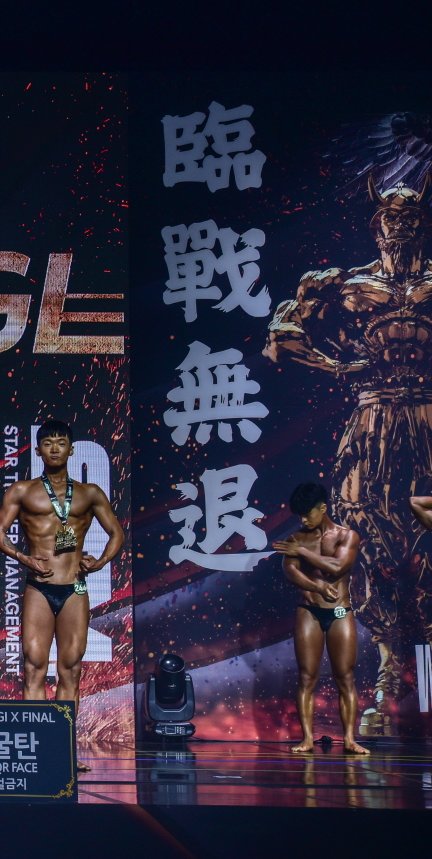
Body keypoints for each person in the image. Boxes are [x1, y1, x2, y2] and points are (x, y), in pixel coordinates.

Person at [266, 177, 432, 733]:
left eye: (411, 217)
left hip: (429, 418)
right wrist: (336, 366)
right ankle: (388, 678)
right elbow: (280, 335)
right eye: (392, 217)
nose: (401, 226)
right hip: (372, 421)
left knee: (428, 552)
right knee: (368, 543)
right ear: (377, 225)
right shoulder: (346, 284)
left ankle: (426, 682)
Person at [0, 419, 124, 771]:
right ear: (38, 450)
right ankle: (37, 749)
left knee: (70, 670)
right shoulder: (22, 491)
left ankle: (63, 752)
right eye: (47, 443)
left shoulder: (90, 493)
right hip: (38, 586)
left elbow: (117, 533)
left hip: (74, 587)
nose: (54, 448)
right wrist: (23, 558)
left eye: (60, 442)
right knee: (33, 666)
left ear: (71, 449)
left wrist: (99, 563)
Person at [275, 482, 369, 754]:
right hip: (309, 610)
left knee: (345, 677)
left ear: (323, 508)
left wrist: (303, 553)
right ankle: (307, 739)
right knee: (307, 677)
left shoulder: (347, 535)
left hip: (339, 611)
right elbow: (291, 572)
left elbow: (338, 566)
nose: (303, 520)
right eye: (299, 515)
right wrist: (316, 587)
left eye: (308, 514)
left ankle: (350, 739)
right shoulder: (295, 539)